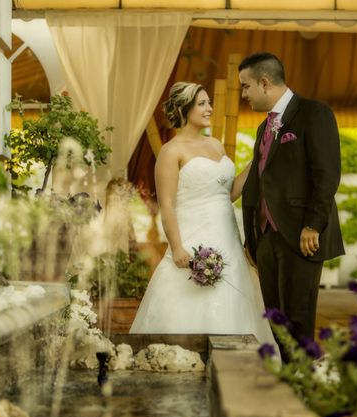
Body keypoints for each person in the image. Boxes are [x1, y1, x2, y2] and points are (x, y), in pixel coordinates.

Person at [130, 82, 276, 346]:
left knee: (233, 300)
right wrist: (176, 247)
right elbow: (167, 204)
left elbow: (228, 193)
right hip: (192, 238)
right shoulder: (170, 151)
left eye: (209, 102)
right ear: (183, 108)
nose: (210, 108)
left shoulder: (216, 146)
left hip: (226, 236)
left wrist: (257, 159)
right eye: (202, 104)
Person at [238, 52, 344, 343]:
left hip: (301, 235)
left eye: (246, 86)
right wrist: (252, 238)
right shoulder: (263, 128)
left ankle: (302, 383)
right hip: (266, 239)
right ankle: (287, 381)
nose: (243, 94)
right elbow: (259, 182)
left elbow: (327, 174)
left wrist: (313, 224)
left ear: (264, 82)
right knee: (276, 321)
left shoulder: (314, 113)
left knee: (298, 321)